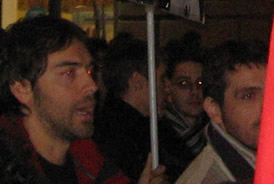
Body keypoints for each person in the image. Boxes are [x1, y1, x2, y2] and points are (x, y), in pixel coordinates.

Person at [0, 15, 165, 184]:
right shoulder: (9, 169)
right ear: (22, 88)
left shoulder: (94, 164)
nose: (92, 86)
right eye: (69, 73)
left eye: (89, 71)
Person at [95, 36, 189, 182]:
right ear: (137, 81)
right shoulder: (116, 138)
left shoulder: (152, 127)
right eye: (162, 78)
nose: (168, 87)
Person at [176, 40, 268, 184]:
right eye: (248, 96)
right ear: (214, 110)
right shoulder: (210, 178)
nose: (266, 107)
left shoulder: (264, 160)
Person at [163, 38, 209, 159]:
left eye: (200, 83)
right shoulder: (159, 137)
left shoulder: (212, 130)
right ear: (168, 86)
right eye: (184, 84)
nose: (194, 92)